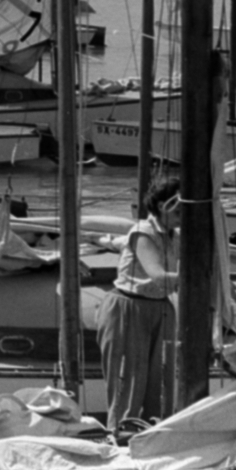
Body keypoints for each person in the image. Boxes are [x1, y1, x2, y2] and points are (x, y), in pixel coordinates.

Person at [98, 175, 180, 432]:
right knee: (129, 383)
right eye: (179, 207)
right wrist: (196, 276)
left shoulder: (174, 236)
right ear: (162, 206)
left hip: (160, 308)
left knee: (160, 382)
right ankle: (120, 434)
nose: (184, 213)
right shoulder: (142, 232)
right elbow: (157, 275)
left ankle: (154, 433)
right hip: (129, 308)